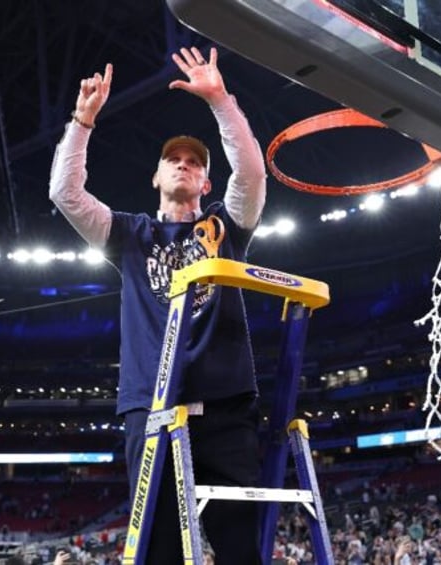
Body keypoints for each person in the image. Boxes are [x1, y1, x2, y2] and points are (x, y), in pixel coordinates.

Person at [49, 45, 266, 563]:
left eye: (195, 163)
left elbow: (253, 175)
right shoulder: (128, 234)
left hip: (224, 403)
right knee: (159, 548)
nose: (184, 165)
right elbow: (65, 194)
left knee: (240, 546)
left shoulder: (224, 225)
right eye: (174, 159)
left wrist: (220, 101)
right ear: (156, 176)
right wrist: (82, 122)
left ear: (207, 182)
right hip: (149, 405)